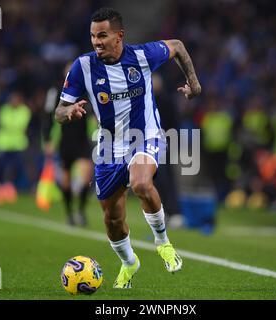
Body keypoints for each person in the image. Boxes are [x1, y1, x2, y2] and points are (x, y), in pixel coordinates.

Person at [55, 7, 201, 289]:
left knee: (141, 183)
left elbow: (178, 46)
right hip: (109, 147)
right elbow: (58, 111)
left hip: (145, 136)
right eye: (93, 36)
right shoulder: (82, 67)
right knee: (112, 219)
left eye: (103, 35)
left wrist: (193, 84)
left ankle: (163, 244)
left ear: (119, 36)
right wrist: (68, 111)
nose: (96, 42)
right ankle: (129, 261)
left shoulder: (143, 56)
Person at [42, 62, 94, 226]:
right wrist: (48, 140)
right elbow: (48, 116)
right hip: (64, 140)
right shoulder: (56, 90)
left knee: (87, 176)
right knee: (65, 180)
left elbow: (94, 114)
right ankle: (70, 213)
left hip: (82, 139)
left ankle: (81, 211)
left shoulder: (87, 90)